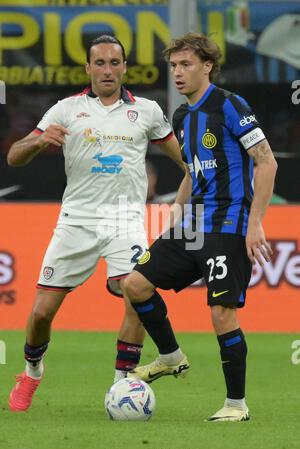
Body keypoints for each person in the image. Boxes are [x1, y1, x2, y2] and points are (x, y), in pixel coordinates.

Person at [6, 34, 184, 411]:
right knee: (41, 313)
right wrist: (38, 143)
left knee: (136, 292)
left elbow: (184, 158)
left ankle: (123, 382)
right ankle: (31, 371)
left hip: (125, 219)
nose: (107, 69)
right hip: (77, 221)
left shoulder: (148, 111)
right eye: (99, 63)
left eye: (114, 62)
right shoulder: (66, 109)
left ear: (124, 67)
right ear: (88, 68)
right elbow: (14, 157)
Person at [124, 32, 278, 422]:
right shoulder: (181, 116)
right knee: (135, 284)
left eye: (186, 64)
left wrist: (255, 223)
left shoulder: (230, 105)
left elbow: (266, 162)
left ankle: (236, 405)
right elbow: (193, 171)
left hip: (229, 226)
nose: (178, 72)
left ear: (207, 67)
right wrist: (175, 209)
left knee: (221, 313)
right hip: (194, 225)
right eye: (173, 65)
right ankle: (171, 356)